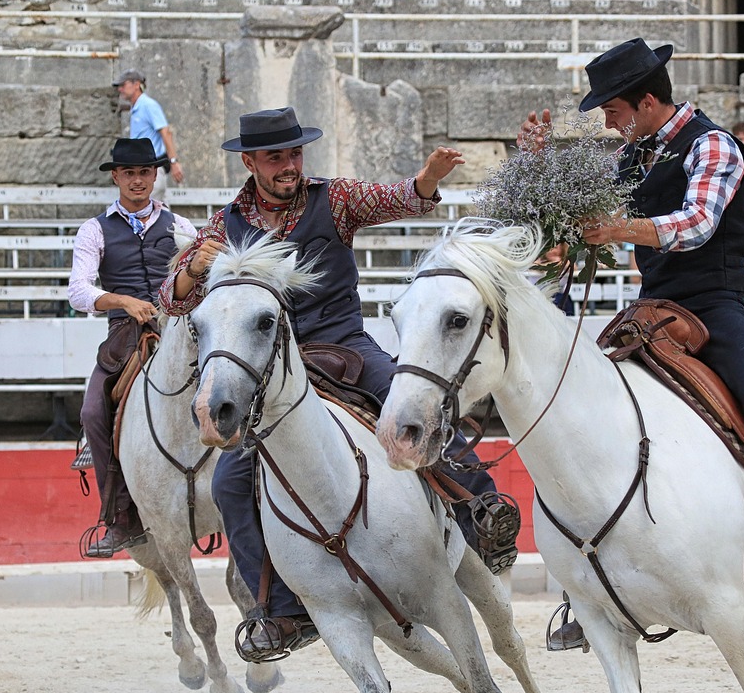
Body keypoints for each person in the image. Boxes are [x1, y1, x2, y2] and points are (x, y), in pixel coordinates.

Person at [522, 38, 744, 647]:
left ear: (647, 102)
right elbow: (582, 210)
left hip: (715, 305)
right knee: (584, 402)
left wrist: (621, 227)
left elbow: (698, 224)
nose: (608, 122)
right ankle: (589, 583)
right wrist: (541, 165)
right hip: (653, 308)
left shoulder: (713, 144)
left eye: (613, 110)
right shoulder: (636, 153)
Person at [161, 107, 514, 658]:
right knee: (229, 482)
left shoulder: (335, 199)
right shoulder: (223, 226)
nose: (289, 165)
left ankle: (482, 511)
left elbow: (396, 199)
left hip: (344, 348)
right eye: (275, 157)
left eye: (294, 154)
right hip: (271, 374)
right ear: (250, 163)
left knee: (408, 400)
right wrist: (191, 269)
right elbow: (173, 300)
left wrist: (427, 180)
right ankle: (280, 610)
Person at [70, 137, 198, 558]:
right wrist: (123, 301)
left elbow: (202, 277)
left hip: (179, 325)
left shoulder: (182, 227)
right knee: (92, 411)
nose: (138, 180)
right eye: (129, 173)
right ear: (116, 177)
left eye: (144, 172)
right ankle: (121, 517)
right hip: (125, 332)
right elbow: (79, 291)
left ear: (155, 175)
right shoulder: (94, 229)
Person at [114, 69, 184, 202]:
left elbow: (165, 132)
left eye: (123, 85)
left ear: (136, 85)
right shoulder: (137, 107)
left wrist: (174, 162)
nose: (120, 89)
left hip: (150, 169)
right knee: (157, 211)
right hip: (144, 170)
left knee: (143, 208)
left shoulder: (148, 105)